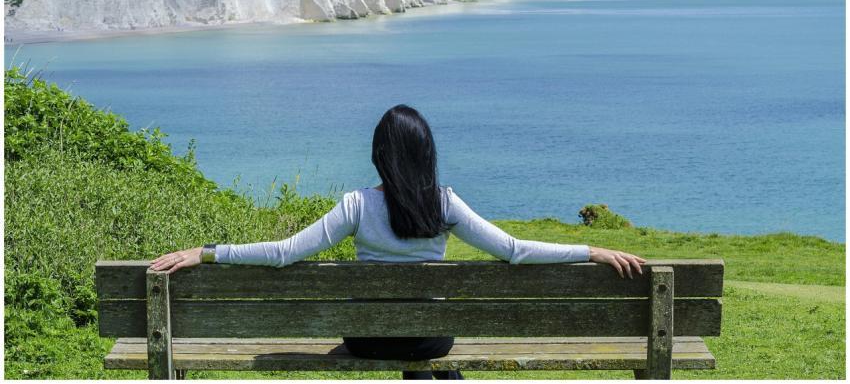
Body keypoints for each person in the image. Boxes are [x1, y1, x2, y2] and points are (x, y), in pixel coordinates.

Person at [152, 104, 646, 380]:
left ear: (379, 155)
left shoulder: (355, 206)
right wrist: (592, 250)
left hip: (364, 338)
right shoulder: (445, 204)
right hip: (431, 336)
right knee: (426, 345)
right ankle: (431, 376)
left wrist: (206, 252)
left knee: (388, 329)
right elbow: (515, 250)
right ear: (426, 152)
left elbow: (284, 254)